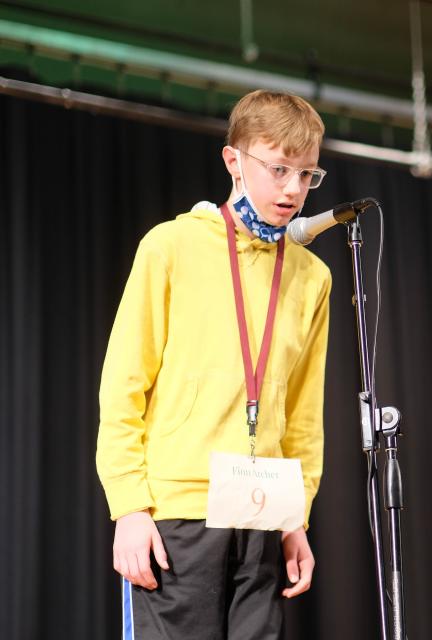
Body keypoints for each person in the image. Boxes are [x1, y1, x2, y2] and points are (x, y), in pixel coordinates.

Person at [96, 89, 332, 639]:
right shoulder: (171, 246)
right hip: (176, 512)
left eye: (307, 175)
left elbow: (303, 413)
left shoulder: (312, 276)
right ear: (233, 161)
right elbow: (124, 384)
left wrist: (296, 517)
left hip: (263, 514)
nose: (293, 189)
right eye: (278, 169)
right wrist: (129, 506)